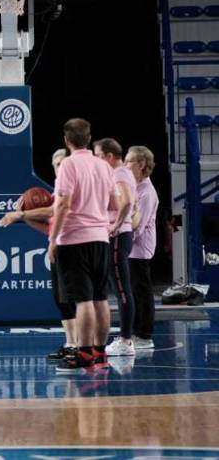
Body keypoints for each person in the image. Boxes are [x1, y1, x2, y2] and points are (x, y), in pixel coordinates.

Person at [48, 118, 117, 372]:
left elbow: (63, 205)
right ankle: (100, 353)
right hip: (100, 238)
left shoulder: (68, 164)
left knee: (83, 301)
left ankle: (85, 353)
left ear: (66, 141)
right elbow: (114, 205)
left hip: (75, 239)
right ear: (89, 138)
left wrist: (53, 240)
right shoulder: (103, 166)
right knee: (100, 299)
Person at [0, 148, 77, 360]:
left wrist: (21, 213)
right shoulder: (54, 193)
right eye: (57, 164)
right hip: (58, 247)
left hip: (73, 247)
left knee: (72, 299)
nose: (61, 167)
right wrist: (24, 217)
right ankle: (71, 343)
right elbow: (48, 228)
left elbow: (53, 211)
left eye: (64, 163)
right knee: (60, 299)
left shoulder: (72, 189)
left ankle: (82, 345)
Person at [93, 138, 136, 357]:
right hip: (120, 235)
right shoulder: (121, 174)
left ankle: (126, 341)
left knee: (122, 290)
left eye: (99, 156)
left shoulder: (119, 174)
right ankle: (124, 339)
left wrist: (114, 226)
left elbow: (127, 201)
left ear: (109, 156)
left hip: (118, 237)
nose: (97, 160)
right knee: (120, 289)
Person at [125, 146, 159, 349]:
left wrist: (122, 242)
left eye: (130, 161)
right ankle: (137, 332)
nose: (126, 165)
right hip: (132, 248)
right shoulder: (134, 187)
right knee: (135, 291)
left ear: (142, 164)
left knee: (142, 291)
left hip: (139, 249)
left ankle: (144, 335)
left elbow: (139, 224)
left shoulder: (146, 192)